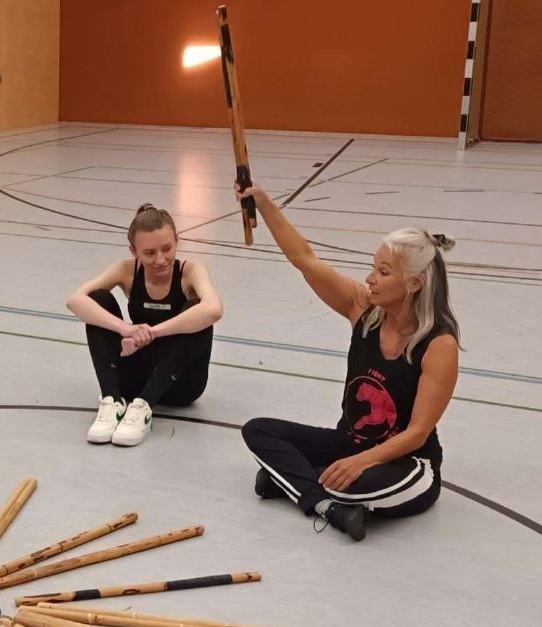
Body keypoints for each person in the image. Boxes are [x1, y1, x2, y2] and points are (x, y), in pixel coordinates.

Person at [237, 184, 460, 541]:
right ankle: (324, 504)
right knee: (258, 430)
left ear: (414, 283)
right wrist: (262, 204)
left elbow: (418, 432)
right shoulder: (364, 310)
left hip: (409, 463)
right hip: (350, 443)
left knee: (350, 485)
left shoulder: (439, 345)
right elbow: (305, 260)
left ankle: (294, 482)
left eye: (383, 272)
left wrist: (362, 462)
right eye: (373, 269)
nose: (370, 279)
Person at [66, 203, 223, 446]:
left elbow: (214, 309)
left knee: (198, 311)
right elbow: (75, 300)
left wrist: (151, 332)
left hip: (180, 384)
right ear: (134, 250)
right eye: (149, 253)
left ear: (176, 240)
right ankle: (112, 400)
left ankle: (143, 406)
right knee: (98, 299)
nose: (160, 259)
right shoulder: (126, 270)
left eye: (167, 249)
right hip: (135, 378)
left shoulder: (191, 270)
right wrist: (125, 329)